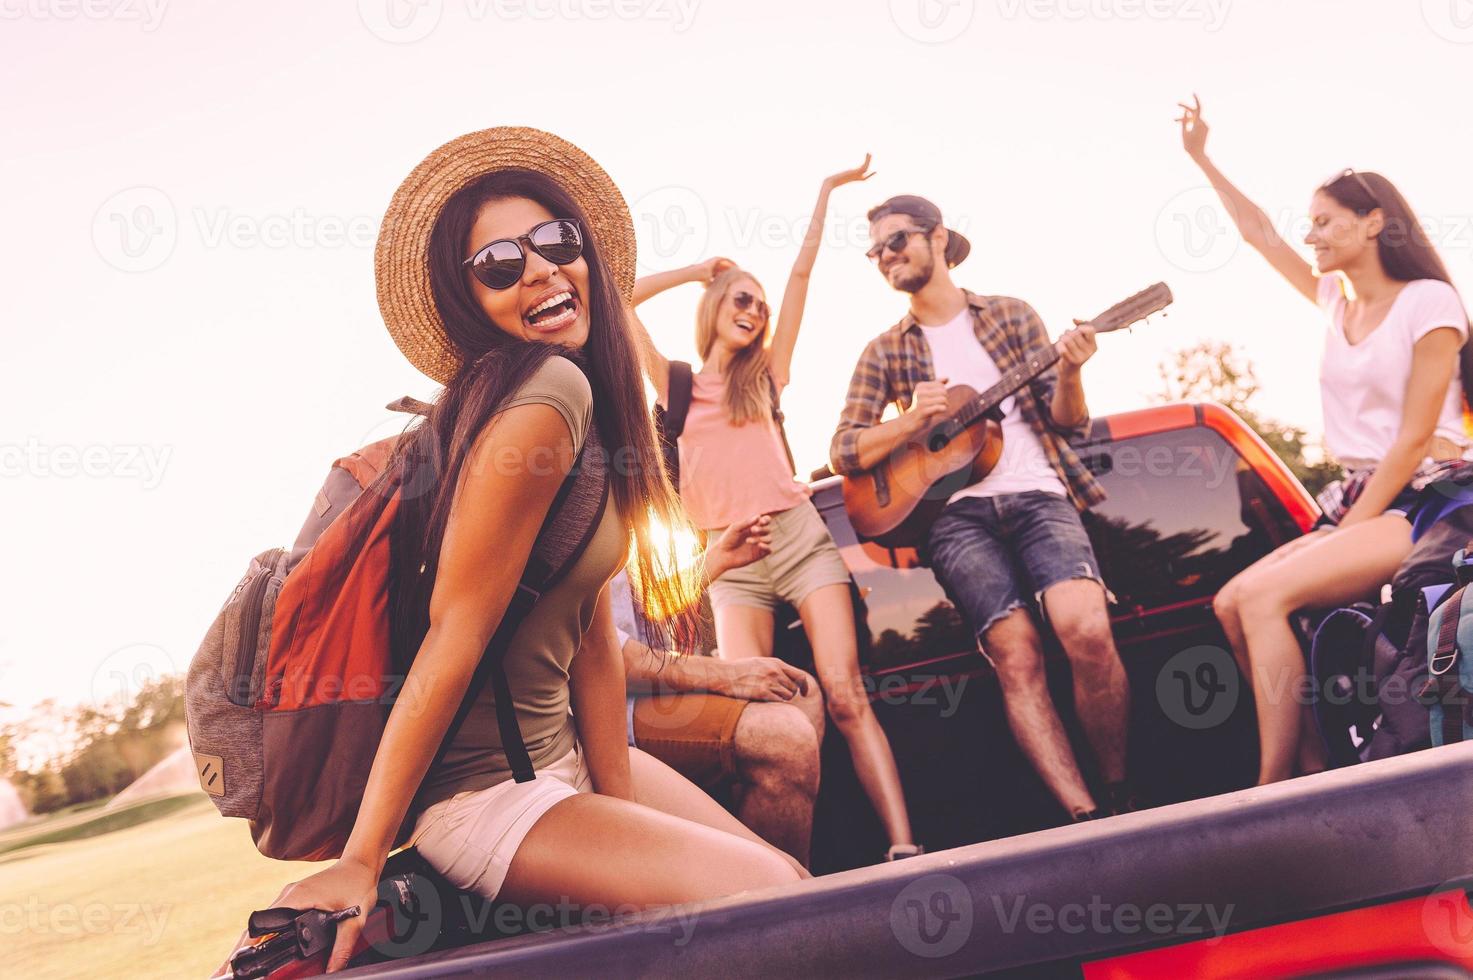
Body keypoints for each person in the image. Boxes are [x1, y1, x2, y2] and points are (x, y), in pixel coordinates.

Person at [264, 128, 805, 972]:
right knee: (776, 899)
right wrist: (364, 857)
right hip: (486, 799)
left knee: (802, 891)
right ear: (466, 300)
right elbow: (456, 633)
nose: (543, 270)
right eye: (499, 266)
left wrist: (622, 811)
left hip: (565, 764)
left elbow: (589, 633)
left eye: (556, 242)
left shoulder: (591, 407)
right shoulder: (543, 397)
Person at [630, 156, 921, 860]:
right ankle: (782, 872)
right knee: (757, 716)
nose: (753, 311)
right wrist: (699, 268)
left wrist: (824, 192)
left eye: (757, 304)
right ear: (714, 309)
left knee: (844, 695)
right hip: (728, 563)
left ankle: (904, 848)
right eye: (740, 300)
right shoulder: (674, 384)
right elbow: (615, 298)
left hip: (796, 538)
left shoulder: (765, 378)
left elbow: (800, 277)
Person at [1177, 96, 1473, 784]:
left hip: (1427, 500)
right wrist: (1201, 158)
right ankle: (1318, 774)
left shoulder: (1428, 301)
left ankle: (1272, 787)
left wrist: (1351, 526)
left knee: (1261, 599)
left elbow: (1409, 440)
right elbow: (1258, 235)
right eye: (1307, 224)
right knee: (1229, 603)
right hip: (1363, 493)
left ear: (1372, 222)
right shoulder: (1335, 299)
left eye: (1322, 222)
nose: (1309, 236)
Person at [830, 194, 1134, 822]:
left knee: (1086, 629)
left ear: (939, 239)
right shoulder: (885, 352)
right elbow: (843, 450)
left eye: (898, 241)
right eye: (875, 251)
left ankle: (1119, 790)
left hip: (1038, 493)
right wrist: (912, 421)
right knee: (1015, 652)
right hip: (953, 518)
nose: (887, 257)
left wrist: (1073, 371)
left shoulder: (1012, 315)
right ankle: (1084, 816)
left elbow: (1069, 423)